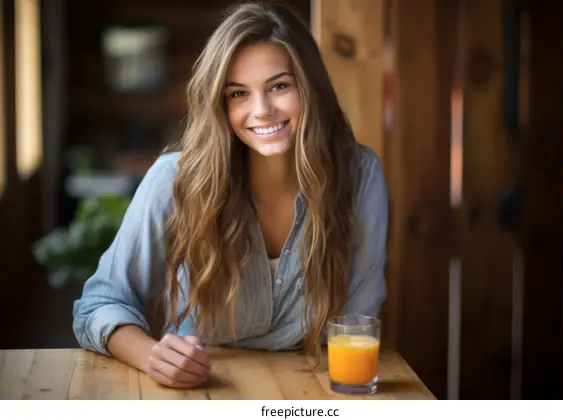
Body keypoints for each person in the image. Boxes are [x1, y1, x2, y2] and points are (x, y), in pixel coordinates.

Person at [72, 2, 389, 390]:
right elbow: (97, 305)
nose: (261, 110)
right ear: (219, 104)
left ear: (311, 86)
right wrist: (152, 356)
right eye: (238, 94)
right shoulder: (174, 181)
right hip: (201, 390)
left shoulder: (360, 176)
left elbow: (356, 324)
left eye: (279, 86)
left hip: (315, 390)